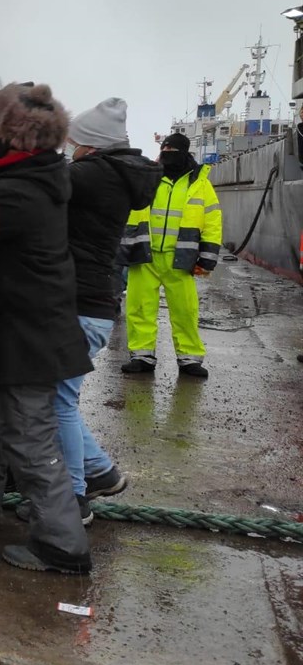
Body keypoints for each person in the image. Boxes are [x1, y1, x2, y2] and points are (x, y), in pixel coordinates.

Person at [0, 83, 94, 575]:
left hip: (27, 340)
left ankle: (62, 546)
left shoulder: (18, 193)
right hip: (19, 336)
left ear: (10, 140)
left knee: (31, 443)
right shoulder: (37, 177)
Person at [50, 98, 161, 516]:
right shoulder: (113, 174)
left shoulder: (93, 175)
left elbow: (40, 181)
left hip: (82, 303)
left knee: (57, 401)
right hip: (94, 303)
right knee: (59, 397)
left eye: (74, 142)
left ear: (91, 146)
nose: (69, 150)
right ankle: (101, 473)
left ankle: (75, 498)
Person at [120, 132, 221, 379]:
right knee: (140, 307)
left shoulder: (200, 183)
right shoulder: (149, 177)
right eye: (164, 148)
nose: (167, 152)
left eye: (172, 149)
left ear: (185, 152)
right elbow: (130, 211)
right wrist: (124, 247)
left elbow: (212, 220)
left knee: (185, 310)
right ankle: (142, 355)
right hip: (146, 253)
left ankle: (189, 358)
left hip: (181, 257)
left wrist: (207, 257)